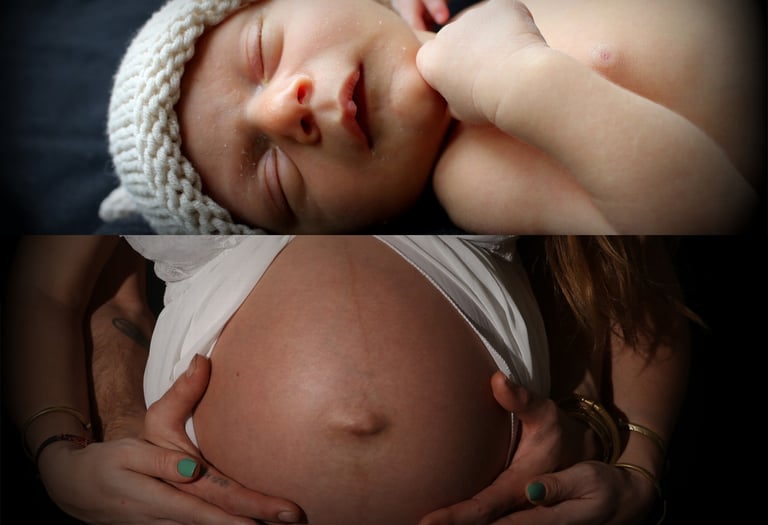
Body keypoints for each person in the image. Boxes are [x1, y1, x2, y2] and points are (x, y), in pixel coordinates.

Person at [3, 234, 692, 525]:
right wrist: (58, 456)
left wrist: (638, 465)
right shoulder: (139, 70)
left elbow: (628, 274)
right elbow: (57, 291)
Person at [97, 0, 763, 235]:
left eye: (261, 51)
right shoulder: (473, 175)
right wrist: (518, 81)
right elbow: (712, 213)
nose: (281, 112)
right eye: (273, 178)